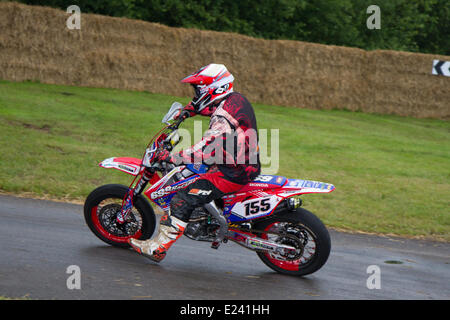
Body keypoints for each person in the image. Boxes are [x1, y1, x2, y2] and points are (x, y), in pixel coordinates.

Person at [128, 63, 261, 262]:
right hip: (237, 160)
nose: (197, 92)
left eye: (199, 89)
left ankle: (158, 248)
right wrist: (188, 111)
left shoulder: (222, 119)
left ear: (213, 88)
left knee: (182, 198)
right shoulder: (234, 99)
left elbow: (203, 149)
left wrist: (172, 158)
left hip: (232, 171)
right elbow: (207, 106)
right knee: (192, 175)